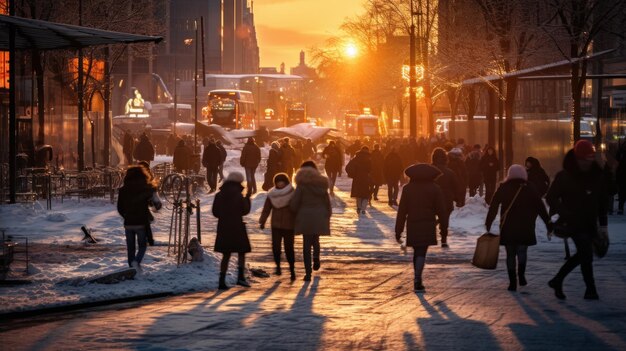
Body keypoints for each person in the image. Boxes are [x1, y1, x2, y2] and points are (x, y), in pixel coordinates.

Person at [546, 140, 608, 300]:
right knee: (585, 253)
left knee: (584, 255)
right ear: (577, 158)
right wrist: (564, 212)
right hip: (573, 222)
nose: (586, 163)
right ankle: (590, 290)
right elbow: (551, 197)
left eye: (589, 159)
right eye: (583, 160)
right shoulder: (565, 176)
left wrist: (603, 225)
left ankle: (558, 280)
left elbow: (602, 201)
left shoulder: (596, 175)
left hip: (589, 222)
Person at [485, 164, 551, 291]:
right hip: (525, 225)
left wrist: (489, 222)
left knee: (510, 254)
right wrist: (548, 223)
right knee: (522, 251)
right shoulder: (529, 187)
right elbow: (540, 207)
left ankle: (512, 282)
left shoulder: (503, 187)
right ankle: (521, 275)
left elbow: (493, 206)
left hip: (508, 225)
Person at [396, 163, 447, 292]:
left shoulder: (408, 189)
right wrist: (444, 230)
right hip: (427, 223)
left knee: (416, 250)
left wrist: (398, 230)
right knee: (421, 250)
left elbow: (402, 211)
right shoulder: (435, 188)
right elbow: (441, 211)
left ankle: (417, 277)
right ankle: (418, 278)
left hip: (413, 223)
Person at [290, 161, 331, 281]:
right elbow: (327, 201)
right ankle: (316, 257)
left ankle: (308, 273)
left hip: (305, 217)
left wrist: (293, 212)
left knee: (306, 244)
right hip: (319, 215)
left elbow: (294, 203)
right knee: (316, 239)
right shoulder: (322, 184)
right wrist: (327, 214)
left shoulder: (301, 185)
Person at [212, 172, 252, 289]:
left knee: (226, 254)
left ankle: (222, 280)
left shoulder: (219, 195)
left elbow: (215, 212)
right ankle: (240, 277)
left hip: (224, 227)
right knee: (241, 252)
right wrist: (247, 198)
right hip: (237, 226)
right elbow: (245, 211)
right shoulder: (239, 195)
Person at [117, 166, 161, 271]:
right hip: (141, 223)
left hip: (128, 223)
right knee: (142, 246)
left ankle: (131, 269)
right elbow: (156, 205)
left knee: (130, 248)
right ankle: (136, 262)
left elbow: (120, 207)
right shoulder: (146, 188)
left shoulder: (123, 190)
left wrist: (126, 215)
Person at [259, 173, 296, 280]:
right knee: (276, 247)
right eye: (278, 182)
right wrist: (262, 221)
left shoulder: (292, 193)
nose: (280, 184)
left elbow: (296, 208)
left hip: (289, 225)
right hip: (276, 225)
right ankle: (278, 266)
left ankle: (292, 269)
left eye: (282, 182)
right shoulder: (272, 194)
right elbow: (266, 209)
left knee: (289, 248)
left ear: (286, 182)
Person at [431, 148, 462, 248]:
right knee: (445, 219)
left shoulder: (429, 171)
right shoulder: (450, 172)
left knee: (431, 215)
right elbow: (456, 187)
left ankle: (432, 227)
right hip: (446, 199)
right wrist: (458, 199)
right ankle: (443, 238)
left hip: (433, 200)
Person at [346, 146, 372, 214]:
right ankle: (363, 208)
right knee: (365, 194)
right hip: (366, 179)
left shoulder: (356, 158)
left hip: (357, 179)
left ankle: (359, 207)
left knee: (358, 194)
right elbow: (372, 170)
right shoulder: (369, 159)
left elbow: (348, 167)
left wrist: (352, 174)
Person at [616, 142, 626, 214]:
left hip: (621, 175)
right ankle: (620, 208)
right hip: (621, 175)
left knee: (621, 193)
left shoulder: (620, 151)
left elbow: (617, 163)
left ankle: (620, 208)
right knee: (622, 192)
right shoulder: (620, 151)